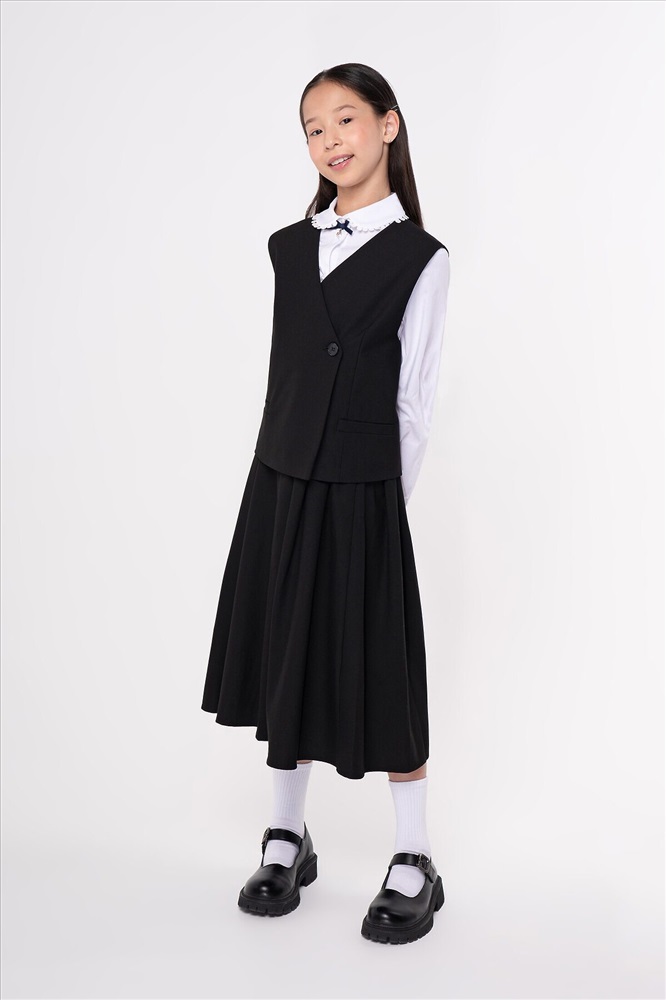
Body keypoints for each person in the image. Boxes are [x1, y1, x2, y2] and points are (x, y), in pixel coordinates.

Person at [201, 62, 451, 945]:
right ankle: (286, 836)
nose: (331, 140)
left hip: (364, 489)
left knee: (383, 665)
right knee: (286, 655)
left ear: (388, 124)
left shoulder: (421, 258)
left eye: (346, 119)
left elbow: (415, 403)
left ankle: (415, 855)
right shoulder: (287, 247)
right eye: (313, 128)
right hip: (279, 480)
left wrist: (381, 504)